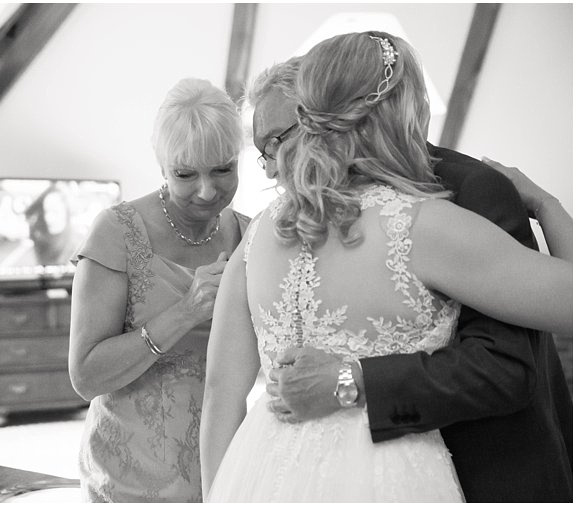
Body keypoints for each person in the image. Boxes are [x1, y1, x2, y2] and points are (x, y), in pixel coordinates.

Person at [200, 32, 572, 502]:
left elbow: (219, 391)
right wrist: (551, 208)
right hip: (388, 479)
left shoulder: (258, 236)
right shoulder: (419, 224)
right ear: (401, 109)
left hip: (263, 479)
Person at [68, 78, 250, 502]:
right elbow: (86, 377)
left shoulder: (248, 233)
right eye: (186, 174)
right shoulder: (117, 232)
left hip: (222, 469)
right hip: (130, 476)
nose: (207, 191)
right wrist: (187, 310)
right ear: (162, 166)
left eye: (223, 169)